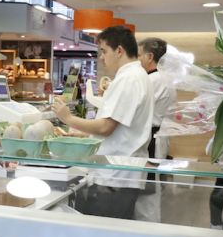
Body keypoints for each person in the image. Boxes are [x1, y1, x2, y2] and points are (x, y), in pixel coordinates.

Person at [52, 26, 154, 219]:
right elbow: (121, 127)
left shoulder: (129, 79)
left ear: (119, 50)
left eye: (104, 51)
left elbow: (106, 127)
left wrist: (68, 118)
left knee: (104, 236)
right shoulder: (137, 76)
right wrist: (83, 135)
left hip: (116, 176)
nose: (101, 57)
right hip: (121, 173)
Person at [134, 37, 178, 222]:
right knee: (150, 190)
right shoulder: (164, 78)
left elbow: (135, 109)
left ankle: (147, 234)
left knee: (147, 193)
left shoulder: (153, 80)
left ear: (149, 56)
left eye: (139, 55)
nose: (137, 60)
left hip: (151, 138)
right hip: (157, 135)